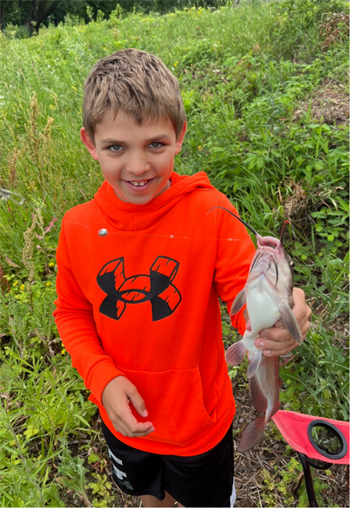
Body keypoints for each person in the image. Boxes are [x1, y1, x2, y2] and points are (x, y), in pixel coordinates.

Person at [53, 48, 311, 508]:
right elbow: (72, 313)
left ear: (180, 135)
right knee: (149, 499)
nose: (137, 167)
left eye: (156, 144)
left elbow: (244, 295)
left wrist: (278, 317)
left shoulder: (210, 213)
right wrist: (101, 378)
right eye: (116, 147)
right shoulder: (77, 227)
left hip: (199, 427)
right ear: (89, 143)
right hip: (126, 419)